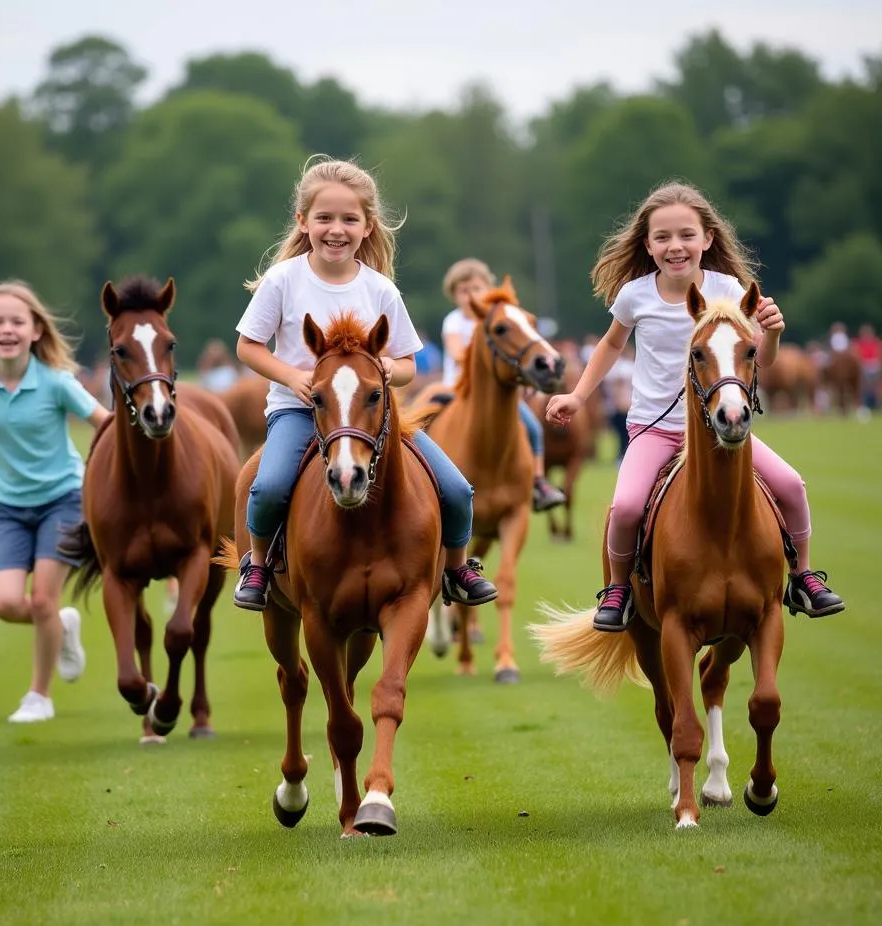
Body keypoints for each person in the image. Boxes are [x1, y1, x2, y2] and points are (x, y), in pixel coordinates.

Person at [546, 181, 845, 631]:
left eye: (686, 234)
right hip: (653, 429)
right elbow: (610, 346)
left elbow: (760, 358)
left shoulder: (730, 290)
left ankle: (802, 577)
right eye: (662, 237)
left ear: (707, 238)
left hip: (721, 428)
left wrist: (775, 332)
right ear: (647, 245)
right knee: (625, 507)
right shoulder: (635, 295)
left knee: (791, 484)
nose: (675, 246)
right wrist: (578, 395)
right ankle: (618, 590)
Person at [231, 156, 498, 612]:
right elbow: (248, 347)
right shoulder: (283, 280)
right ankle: (257, 565)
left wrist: (392, 370)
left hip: (372, 415)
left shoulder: (380, 289)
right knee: (268, 485)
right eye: (325, 218)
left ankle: (455, 568)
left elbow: (409, 362)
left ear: (368, 226)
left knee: (456, 489)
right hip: (301, 409)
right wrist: (293, 376)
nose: (337, 229)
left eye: (349, 219)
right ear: (303, 221)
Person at [0, 280, 110, 723]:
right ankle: (63, 623)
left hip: (64, 500)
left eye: (17, 321)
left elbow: (104, 422)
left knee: (41, 601)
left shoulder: (56, 383)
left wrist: (106, 475)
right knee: (3, 603)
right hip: (9, 510)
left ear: (36, 329)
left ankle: (39, 696)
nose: (7, 329)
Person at [439, 258, 565, 512]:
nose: (471, 295)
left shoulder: (502, 320)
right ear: (454, 295)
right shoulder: (453, 321)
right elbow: (456, 353)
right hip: (456, 390)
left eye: (476, 288)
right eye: (463, 291)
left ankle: (538, 482)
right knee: (424, 417)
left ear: (488, 288)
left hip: (495, 394)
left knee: (532, 427)